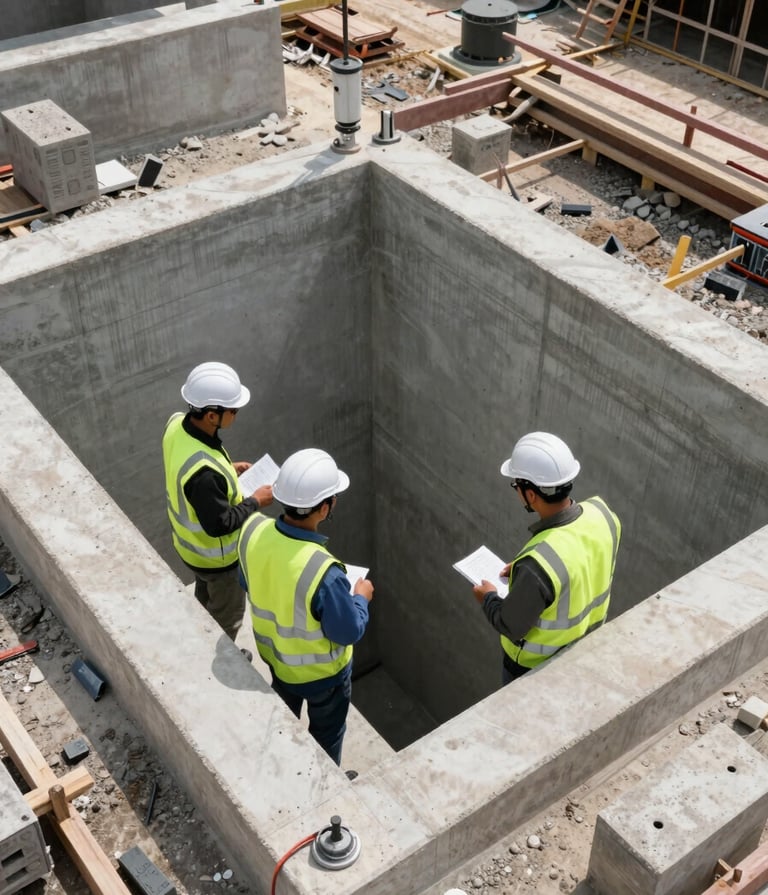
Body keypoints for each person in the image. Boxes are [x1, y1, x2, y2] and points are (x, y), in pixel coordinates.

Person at [237, 448, 373, 767]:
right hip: (323, 678)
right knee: (327, 735)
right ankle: (324, 789)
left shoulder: (253, 530)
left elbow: (249, 582)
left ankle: (285, 771)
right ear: (324, 508)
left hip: (277, 661)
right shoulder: (324, 572)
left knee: (284, 728)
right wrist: (361, 598)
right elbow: (348, 631)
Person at [472, 432, 621, 684]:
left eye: (517, 486)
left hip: (534, 669)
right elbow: (580, 564)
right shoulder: (604, 515)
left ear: (530, 494)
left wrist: (487, 597)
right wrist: (524, 575)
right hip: (587, 645)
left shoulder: (539, 563)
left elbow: (510, 625)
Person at [162, 361, 273, 646]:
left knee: (205, 595)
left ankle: (200, 631)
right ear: (212, 415)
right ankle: (221, 658)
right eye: (233, 411)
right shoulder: (205, 475)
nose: (236, 415)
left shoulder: (177, 425)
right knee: (229, 614)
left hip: (192, 552)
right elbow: (220, 524)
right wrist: (256, 501)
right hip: (218, 561)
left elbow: (193, 468)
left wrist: (229, 471)